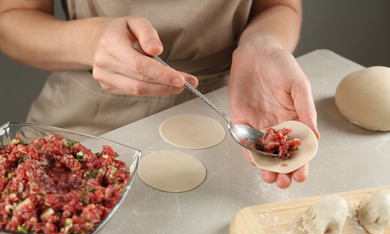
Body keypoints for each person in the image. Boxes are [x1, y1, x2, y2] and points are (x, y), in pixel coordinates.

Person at [0, 0, 320, 189]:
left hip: (236, 97)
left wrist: (263, 45)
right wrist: (91, 40)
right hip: (86, 117)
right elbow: (11, 18)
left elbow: (279, 5)